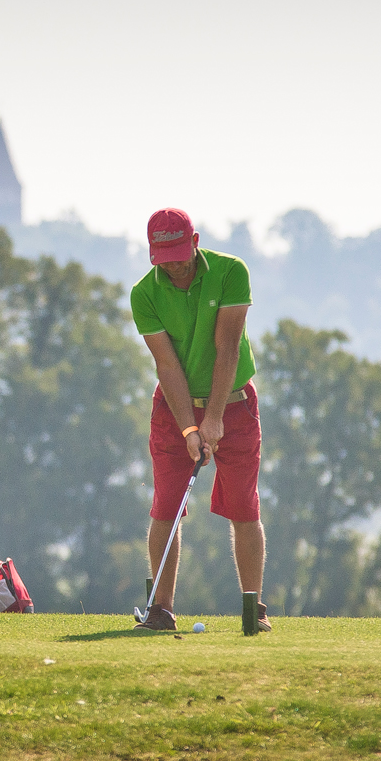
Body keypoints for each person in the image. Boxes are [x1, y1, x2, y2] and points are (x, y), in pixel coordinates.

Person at [129, 207, 269, 633]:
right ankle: (160, 611)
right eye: (164, 259)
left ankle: (253, 611)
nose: (174, 267)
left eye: (179, 255)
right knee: (166, 506)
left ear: (195, 242)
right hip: (174, 408)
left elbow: (227, 347)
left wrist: (215, 418)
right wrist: (191, 427)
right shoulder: (144, 294)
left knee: (244, 507)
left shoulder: (230, 272)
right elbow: (167, 366)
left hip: (235, 405)